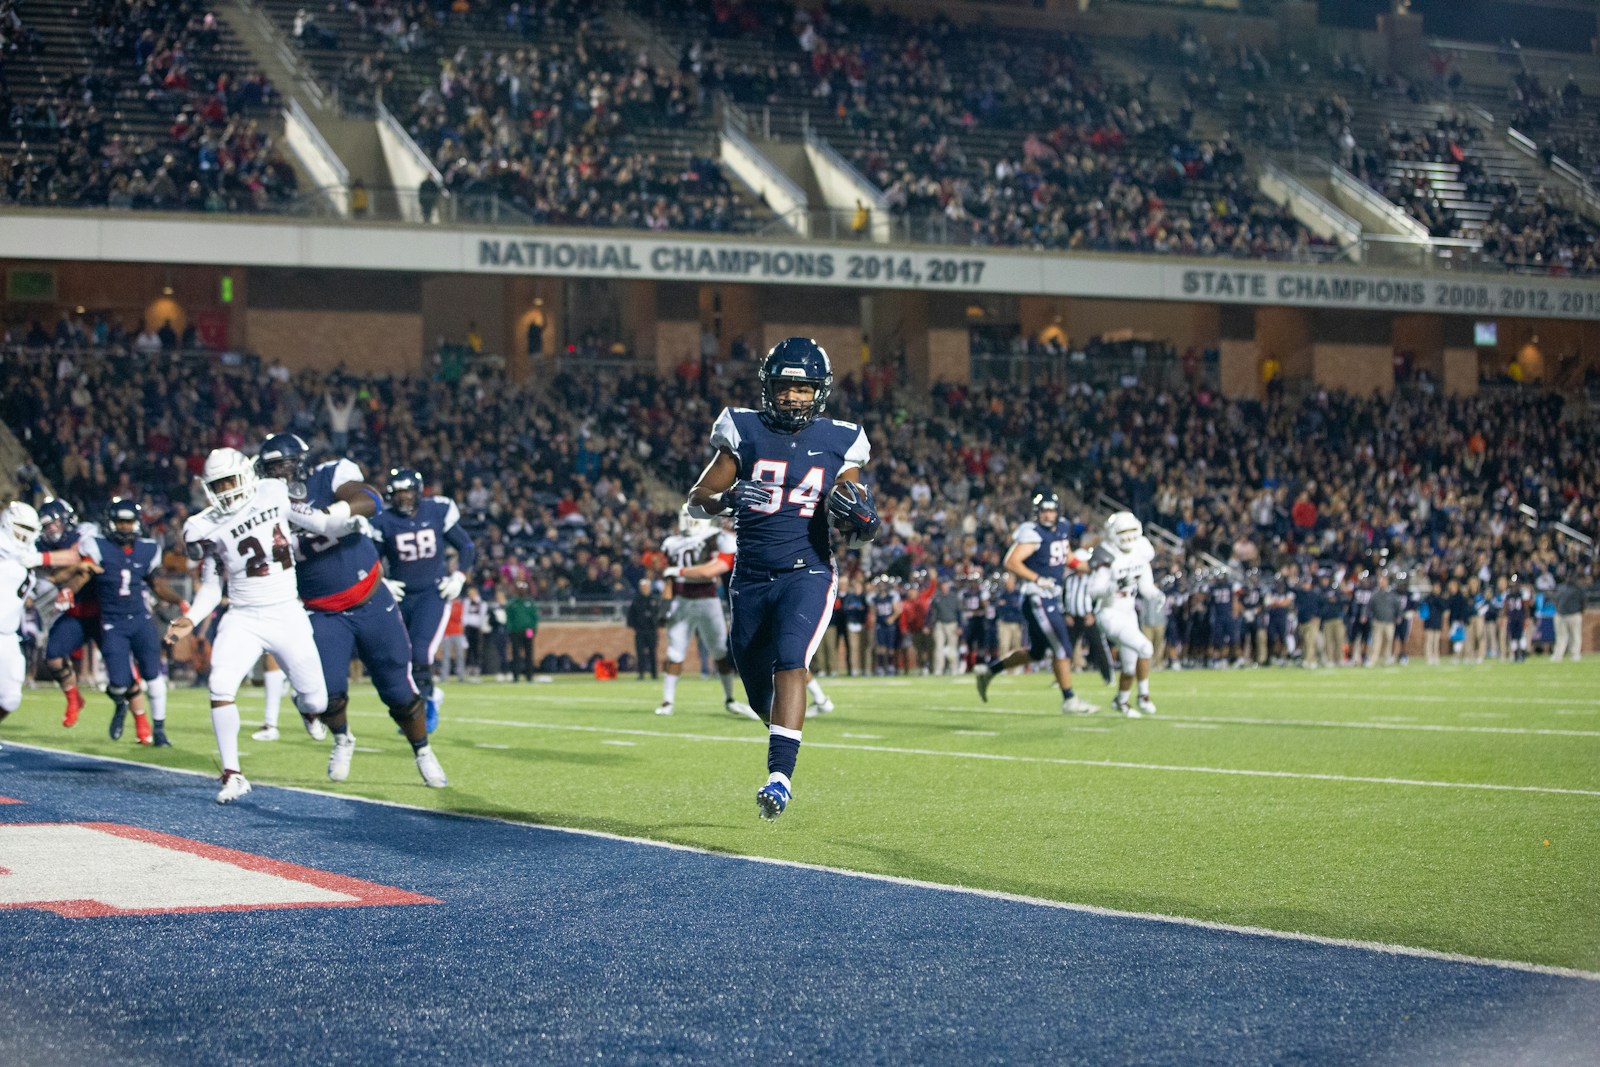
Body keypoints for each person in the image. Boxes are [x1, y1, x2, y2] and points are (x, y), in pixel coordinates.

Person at [685, 337, 879, 821]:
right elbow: (696, 500)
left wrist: (863, 523)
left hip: (807, 570)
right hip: (750, 578)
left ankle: (779, 778)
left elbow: (853, 513)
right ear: (768, 387)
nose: (793, 396)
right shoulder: (745, 430)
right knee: (758, 692)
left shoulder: (840, 440)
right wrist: (727, 498)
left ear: (820, 391)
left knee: (792, 658)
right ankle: (783, 737)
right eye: (784, 387)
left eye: (803, 388)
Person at [254, 433, 447, 788]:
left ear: (301, 463)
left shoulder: (330, 475)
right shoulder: (261, 507)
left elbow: (368, 498)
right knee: (326, 692)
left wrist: (329, 515)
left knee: (397, 688)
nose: (279, 474)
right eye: (272, 469)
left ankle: (422, 750)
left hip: (370, 598)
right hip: (321, 610)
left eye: (284, 465)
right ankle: (343, 738)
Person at [163, 448, 331, 803]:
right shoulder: (203, 526)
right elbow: (212, 586)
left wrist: (345, 520)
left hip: (286, 611)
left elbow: (317, 522)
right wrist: (191, 618)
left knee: (317, 698)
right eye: (217, 485)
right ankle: (232, 774)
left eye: (229, 481)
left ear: (246, 475)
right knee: (220, 685)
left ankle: (306, 709)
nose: (225, 490)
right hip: (243, 616)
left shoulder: (273, 491)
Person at [370, 467, 476, 732]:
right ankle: (417, 705)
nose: (404, 498)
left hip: (432, 594)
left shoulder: (436, 511)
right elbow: (370, 559)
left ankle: (426, 707)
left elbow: (466, 546)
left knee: (420, 651)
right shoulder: (384, 521)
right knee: (400, 657)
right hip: (401, 596)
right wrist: (382, 582)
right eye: (398, 493)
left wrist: (459, 576)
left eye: (408, 492)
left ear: (418, 492)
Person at [973, 491, 1098, 715]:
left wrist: (1090, 568)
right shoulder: (1033, 533)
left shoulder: (1062, 528)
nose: (1048, 515)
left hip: (1049, 596)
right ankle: (1069, 700)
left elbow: (1067, 557)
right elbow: (1011, 562)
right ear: (1037, 513)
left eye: (1051, 511)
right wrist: (1037, 578)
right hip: (1037, 596)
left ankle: (990, 671)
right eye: (1044, 511)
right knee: (1062, 647)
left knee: (1037, 652)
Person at [79, 499, 185, 745]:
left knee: (153, 676)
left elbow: (157, 584)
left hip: (140, 620)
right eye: (120, 522)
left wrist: (180, 601)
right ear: (111, 523)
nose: (125, 527)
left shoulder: (147, 549)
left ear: (136, 523)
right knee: (118, 683)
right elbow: (82, 574)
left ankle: (159, 731)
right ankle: (120, 704)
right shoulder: (97, 547)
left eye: (128, 522)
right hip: (113, 623)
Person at [655, 507, 757, 719]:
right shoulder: (671, 543)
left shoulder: (714, 536)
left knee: (720, 652)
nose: (689, 522)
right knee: (675, 653)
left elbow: (718, 564)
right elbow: (668, 580)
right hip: (682, 600)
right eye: (686, 517)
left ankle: (730, 698)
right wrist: (664, 609)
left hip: (708, 600)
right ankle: (667, 701)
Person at [0, 503, 85, 741]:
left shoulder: (28, 552)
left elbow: (72, 557)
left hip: (7, 635)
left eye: (29, 529)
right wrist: (36, 557)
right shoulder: (4, 544)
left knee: (10, 698)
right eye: (20, 527)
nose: (23, 534)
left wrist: (40, 557)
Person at [1087, 512, 1163, 716]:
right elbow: (1093, 590)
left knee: (1129, 667)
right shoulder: (1106, 554)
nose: (1128, 536)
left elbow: (1145, 586)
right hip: (1109, 613)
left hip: (1129, 613)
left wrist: (1156, 595)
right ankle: (1143, 696)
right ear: (1113, 534)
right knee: (1146, 648)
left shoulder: (1141, 550)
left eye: (1131, 531)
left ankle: (1121, 701)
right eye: (1122, 532)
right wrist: (1113, 586)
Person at [36, 498, 100, 728]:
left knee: (119, 668)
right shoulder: (41, 545)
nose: (50, 529)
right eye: (46, 526)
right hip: (73, 611)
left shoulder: (85, 533)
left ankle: (141, 722)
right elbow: (55, 576)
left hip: (102, 609)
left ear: (65, 520)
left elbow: (77, 557)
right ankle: (73, 700)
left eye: (53, 523)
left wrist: (46, 561)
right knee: (53, 657)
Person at [627, 578, 663, 680]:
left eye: (646, 587)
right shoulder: (636, 600)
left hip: (652, 630)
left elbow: (659, 614)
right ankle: (641, 674)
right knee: (640, 653)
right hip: (640, 630)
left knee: (653, 653)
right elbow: (631, 615)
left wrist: (657, 624)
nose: (645, 589)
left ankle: (654, 674)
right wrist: (635, 626)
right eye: (643, 587)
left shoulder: (655, 599)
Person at [506, 582, 539, 680]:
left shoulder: (530, 603)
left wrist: (533, 630)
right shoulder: (512, 604)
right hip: (516, 631)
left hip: (528, 631)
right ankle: (515, 676)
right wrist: (511, 630)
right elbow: (509, 618)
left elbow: (534, 618)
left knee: (529, 653)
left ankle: (529, 676)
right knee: (516, 654)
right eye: (520, 589)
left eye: (523, 589)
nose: (522, 591)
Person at [1551, 571, 1585, 661]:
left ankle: (1575, 654)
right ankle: (1558, 655)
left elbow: (1583, 602)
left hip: (1574, 614)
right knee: (1562, 637)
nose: (1570, 579)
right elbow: (1556, 600)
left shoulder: (1578, 589)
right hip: (1561, 614)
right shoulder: (1562, 587)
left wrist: (1581, 611)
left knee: (1575, 635)